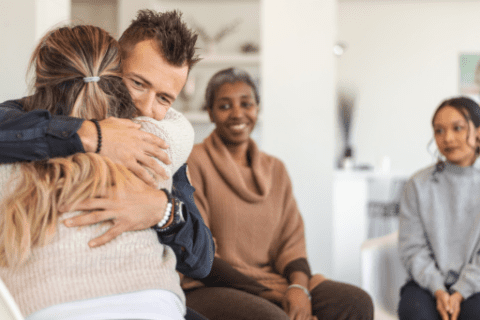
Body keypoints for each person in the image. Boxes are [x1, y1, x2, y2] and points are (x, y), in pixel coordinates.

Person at [0, 24, 197, 320]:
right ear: (113, 70)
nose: (145, 107)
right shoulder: (160, 139)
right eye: (139, 84)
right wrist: (92, 134)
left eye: (164, 99)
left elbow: (202, 258)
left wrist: (163, 209)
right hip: (153, 300)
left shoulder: (151, 143)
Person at [181, 67, 374, 320]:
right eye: (225, 106)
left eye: (246, 104)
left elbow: (292, 245)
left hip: (275, 281)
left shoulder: (275, 169)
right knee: (274, 317)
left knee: (355, 302)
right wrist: (272, 296)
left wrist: (298, 289)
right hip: (211, 285)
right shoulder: (194, 163)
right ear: (210, 112)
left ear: (257, 109)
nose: (237, 113)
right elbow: (199, 253)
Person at [398, 97, 480, 320]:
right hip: (425, 286)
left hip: (476, 286)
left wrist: (460, 292)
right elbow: (412, 248)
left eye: (457, 128)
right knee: (416, 313)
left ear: (478, 133)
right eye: (439, 130)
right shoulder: (417, 184)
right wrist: (439, 289)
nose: (448, 138)